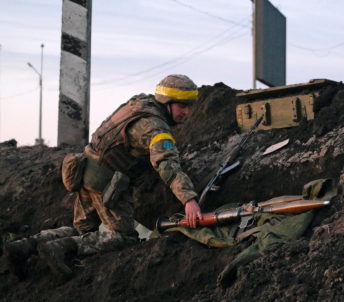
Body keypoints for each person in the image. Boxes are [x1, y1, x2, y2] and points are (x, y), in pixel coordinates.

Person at [3, 74, 203, 279]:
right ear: (166, 103)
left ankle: (23, 247)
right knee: (123, 237)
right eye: (181, 106)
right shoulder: (155, 128)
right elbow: (167, 165)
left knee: (83, 230)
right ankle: (61, 248)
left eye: (189, 106)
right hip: (105, 183)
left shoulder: (138, 104)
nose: (186, 112)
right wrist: (189, 200)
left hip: (83, 169)